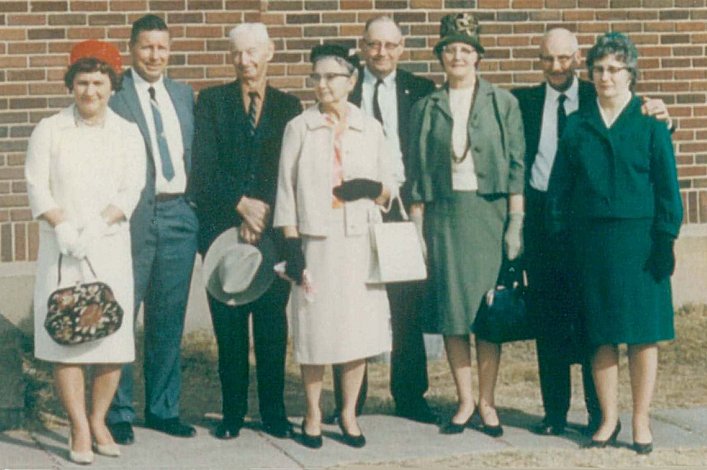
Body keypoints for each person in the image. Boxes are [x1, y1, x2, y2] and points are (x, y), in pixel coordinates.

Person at [513, 28, 674, 438]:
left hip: (640, 244)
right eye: (599, 69)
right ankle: (607, 419)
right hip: (592, 244)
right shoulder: (580, 125)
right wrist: (563, 236)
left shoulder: (649, 121)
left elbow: (667, 187)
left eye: (614, 69)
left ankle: (640, 420)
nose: (605, 77)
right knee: (599, 333)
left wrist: (666, 238)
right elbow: (559, 191)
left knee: (642, 334)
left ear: (630, 74)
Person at [25, 40, 146, 464]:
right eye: (81, 82)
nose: (89, 91)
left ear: (112, 85)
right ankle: (77, 426)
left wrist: (98, 224)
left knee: (110, 340)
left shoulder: (127, 133)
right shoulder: (50, 129)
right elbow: (37, 184)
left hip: (108, 247)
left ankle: (99, 419)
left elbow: (131, 188)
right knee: (67, 336)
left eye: (98, 82)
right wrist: (62, 225)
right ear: (70, 84)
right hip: (62, 251)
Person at [407, 13, 525, 437]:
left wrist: (516, 221)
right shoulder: (426, 106)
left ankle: (489, 402)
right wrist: (418, 228)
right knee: (454, 313)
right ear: (440, 56)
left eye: (466, 49)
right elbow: (417, 172)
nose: (458, 56)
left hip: (490, 216)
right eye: (450, 49)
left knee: (487, 313)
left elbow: (516, 166)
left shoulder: (503, 103)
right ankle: (465, 401)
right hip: (445, 216)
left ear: (478, 56)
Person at [274, 43, 395, 449]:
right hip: (317, 241)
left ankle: (347, 414)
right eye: (317, 77)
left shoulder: (370, 127)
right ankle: (312, 412)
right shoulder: (300, 127)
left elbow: (390, 187)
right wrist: (292, 244)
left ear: (352, 80)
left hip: (358, 241)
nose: (323, 84)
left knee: (355, 330)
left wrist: (372, 188)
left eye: (332, 76)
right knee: (315, 329)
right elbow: (285, 191)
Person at [189, 23, 302, 441]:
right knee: (230, 326)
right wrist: (239, 204)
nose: (245, 61)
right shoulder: (213, 103)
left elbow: (292, 172)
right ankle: (233, 413)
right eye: (237, 53)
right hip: (222, 231)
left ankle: (273, 412)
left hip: (273, 232)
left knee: (272, 326)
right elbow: (202, 166)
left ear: (269, 52)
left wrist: (264, 214)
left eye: (253, 52)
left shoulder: (289, 107)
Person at [325, 15, 438, 426]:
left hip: (403, 204)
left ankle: (410, 394)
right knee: (354, 297)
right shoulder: (345, 88)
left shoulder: (422, 90)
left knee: (405, 302)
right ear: (362, 46)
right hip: (353, 202)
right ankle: (350, 401)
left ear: (402, 47)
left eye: (390, 45)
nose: (381, 53)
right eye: (373, 45)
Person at [106, 14, 199, 444]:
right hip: (133, 218)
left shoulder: (182, 94)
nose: (155, 56)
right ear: (131, 48)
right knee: (123, 313)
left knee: (168, 318)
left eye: (162, 47)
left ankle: (163, 409)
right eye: (146, 47)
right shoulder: (115, 95)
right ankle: (117, 410)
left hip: (178, 214)